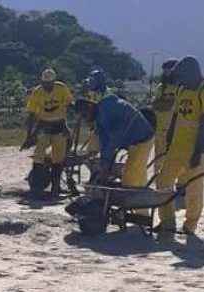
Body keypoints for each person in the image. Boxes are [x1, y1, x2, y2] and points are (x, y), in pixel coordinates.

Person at [74, 70, 155, 216]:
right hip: (131, 139)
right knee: (135, 175)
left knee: (130, 177)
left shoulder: (107, 110)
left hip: (142, 138)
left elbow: (113, 141)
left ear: (91, 107)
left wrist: (106, 167)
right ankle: (139, 212)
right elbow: (105, 142)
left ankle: (140, 214)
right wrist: (105, 164)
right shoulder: (99, 115)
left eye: (86, 115)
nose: (86, 120)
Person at [156, 56, 204, 239]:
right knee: (163, 181)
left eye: (182, 76)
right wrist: (169, 140)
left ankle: (190, 225)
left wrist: (198, 151)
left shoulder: (202, 90)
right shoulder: (182, 90)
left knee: (194, 188)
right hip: (177, 147)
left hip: (196, 149)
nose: (180, 80)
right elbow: (176, 116)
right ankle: (167, 222)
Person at [21, 68, 74, 199]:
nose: (47, 87)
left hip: (59, 127)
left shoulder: (61, 89)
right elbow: (32, 114)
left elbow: (69, 104)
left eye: (50, 84)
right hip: (43, 126)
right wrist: (29, 136)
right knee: (38, 156)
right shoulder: (37, 92)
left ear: (54, 82)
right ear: (42, 82)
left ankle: (55, 188)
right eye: (45, 84)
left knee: (58, 159)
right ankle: (36, 187)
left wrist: (70, 120)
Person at [153, 58, 180, 171]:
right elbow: (155, 104)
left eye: (168, 70)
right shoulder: (161, 87)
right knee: (159, 151)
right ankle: (157, 175)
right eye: (165, 70)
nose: (166, 72)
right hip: (160, 126)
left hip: (175, 126)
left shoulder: (182, 88)